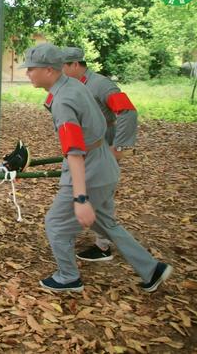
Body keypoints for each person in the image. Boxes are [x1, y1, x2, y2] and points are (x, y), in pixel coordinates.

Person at [20, 43, 171, 293]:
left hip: (89, 169)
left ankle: (68, 277)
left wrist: (80, 198)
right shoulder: (75, 85)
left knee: (56, 224)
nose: (28, 74)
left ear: (49, 70)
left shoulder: (64, 101)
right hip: (102, 163)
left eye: (31, 69)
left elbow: (75, 153)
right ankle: (152, 269)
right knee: (105, 224)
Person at [61, 47, 138, 262]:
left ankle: (104, 246)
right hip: (85, 147)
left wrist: (120, 146)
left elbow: (128, 111)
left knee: (101, 194)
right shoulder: (74, 85)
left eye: (62, 67)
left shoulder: (100, 85)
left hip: (104, 144)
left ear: (75, 65)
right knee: (87, 190)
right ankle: (95, 238)